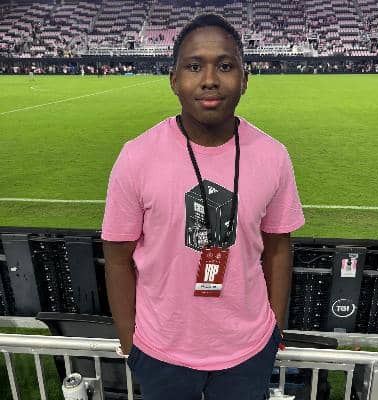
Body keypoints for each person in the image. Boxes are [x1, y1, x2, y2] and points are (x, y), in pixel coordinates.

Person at [102, 13, 305, 400]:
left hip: (248, 353)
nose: (209, 79)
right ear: (174, 79)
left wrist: (274, 329)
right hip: (161, 354)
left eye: (225, 66)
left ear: (245, 79)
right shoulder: (136, 157)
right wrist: (132, 344)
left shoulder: (273, 156)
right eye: (194, 66)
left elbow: (279, 248)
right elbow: (116, 258)